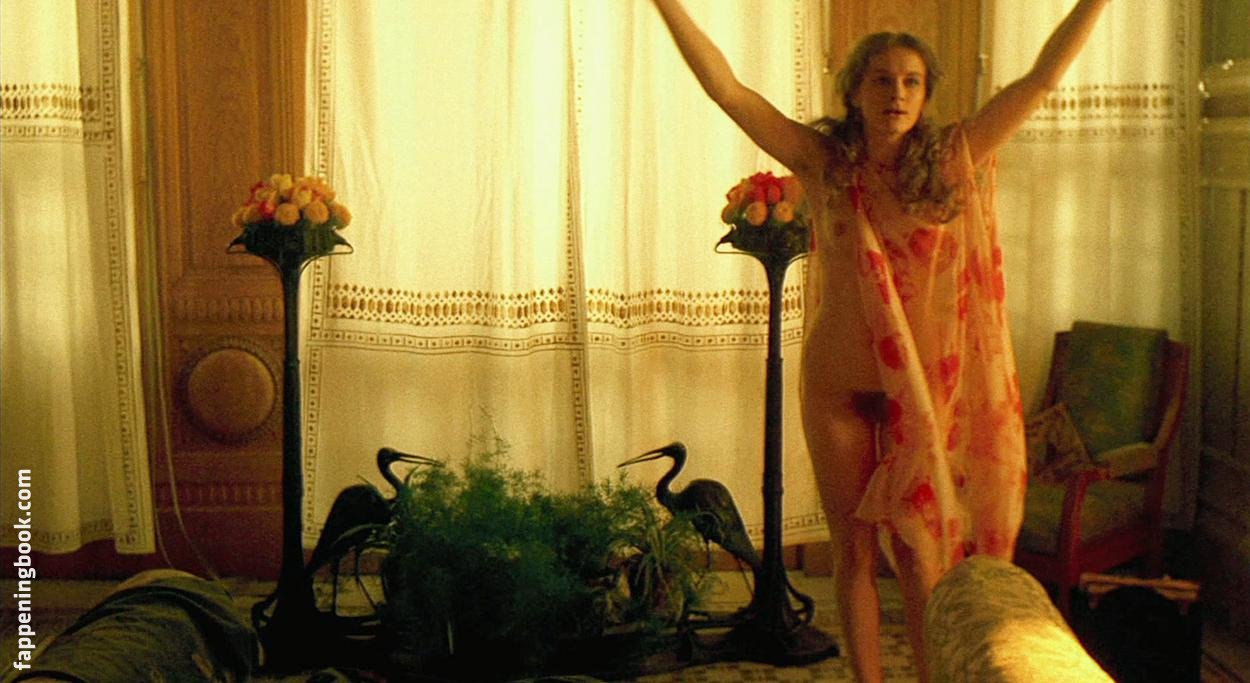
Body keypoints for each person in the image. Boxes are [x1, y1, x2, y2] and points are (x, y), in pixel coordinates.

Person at [649, 1, 1111, 681]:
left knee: (922, 558)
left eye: (911, 81)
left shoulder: (952, 160)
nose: (897, 93)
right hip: (836, 389)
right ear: (855, 92)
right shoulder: (823, 164)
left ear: (926, 95)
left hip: (917, 399)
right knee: (856, 553)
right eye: (882, 80)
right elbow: (729, 90)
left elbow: (1040, 79)